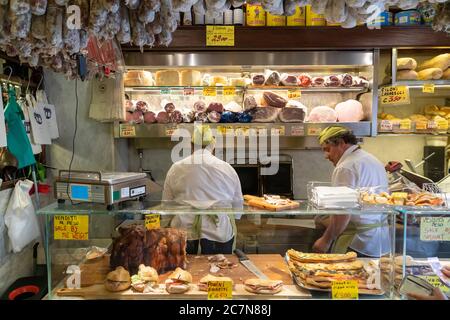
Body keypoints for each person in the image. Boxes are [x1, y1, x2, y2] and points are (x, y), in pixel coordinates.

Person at [162, 125, 243, 255]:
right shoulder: (227, 168)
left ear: (192, 145)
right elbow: (238, 208)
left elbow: (166, 205)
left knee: (182, 273)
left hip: (182, 233)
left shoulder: (176, 168)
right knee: (220, 272)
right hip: (219, 232)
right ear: (213, 145)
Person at [313, 126, 391, 257]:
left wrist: (326, 240)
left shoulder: (346, 167)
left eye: (328, 149)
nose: (326, 156)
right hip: (379, 240)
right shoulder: (371, 159)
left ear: (342, 143)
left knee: (349, 277)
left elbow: (343, 212)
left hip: (357, 242)